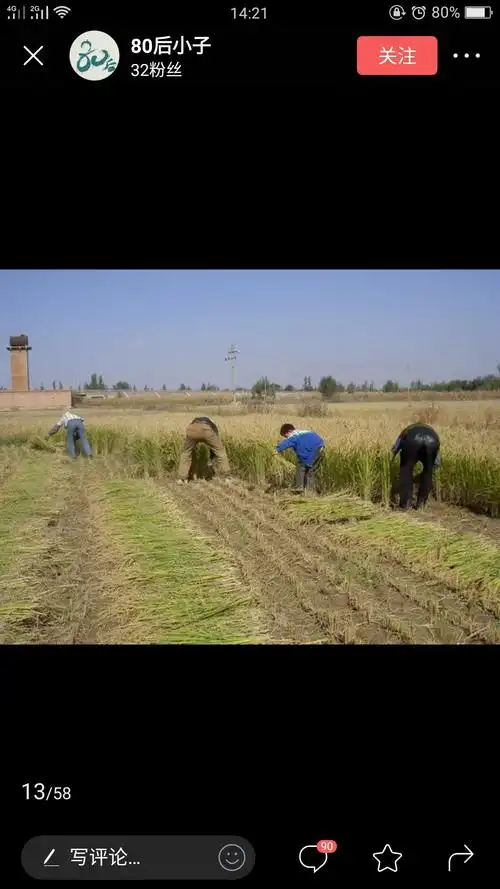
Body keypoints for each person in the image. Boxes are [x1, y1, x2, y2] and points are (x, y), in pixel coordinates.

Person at [391, 422, 440, 509]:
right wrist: (420, 477)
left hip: (411, 440)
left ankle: (406, 504)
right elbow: (436, 464)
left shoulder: (405, 432)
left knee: (406, 471)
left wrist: (392, 464)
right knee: (428, 472)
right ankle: (421, 505)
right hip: (432, 441)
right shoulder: (433, 434)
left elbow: (394, 449)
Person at [177, 416, 231, 483]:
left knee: (186, 453)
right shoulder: (213, 424)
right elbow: (216, 442)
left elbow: (188, 435)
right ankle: (227, 477)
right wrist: (212, 456)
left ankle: (181, 478)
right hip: (206, 430)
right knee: (220, 451)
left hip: (191, 429)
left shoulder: (194, 421)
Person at [275, 423, 325, 493]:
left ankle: (299, 487)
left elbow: (285, 444)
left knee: (300, 468)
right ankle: (310, 491)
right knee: (311, 471)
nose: (286, 438)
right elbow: (321, 440)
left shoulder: (294, 436)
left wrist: (276, 450)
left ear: (289, 431)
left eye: (285, 436)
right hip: (320, 451)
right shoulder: (307, 432)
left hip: (309, 454)